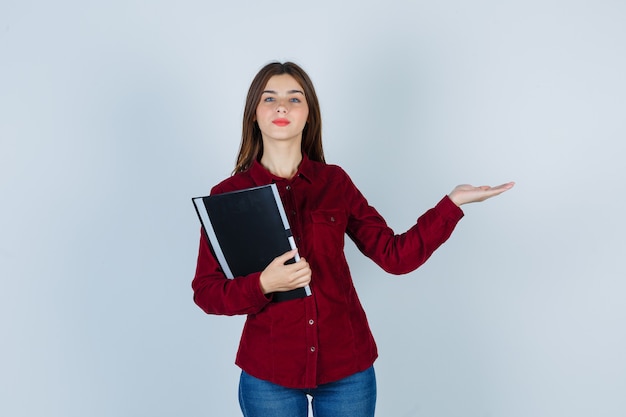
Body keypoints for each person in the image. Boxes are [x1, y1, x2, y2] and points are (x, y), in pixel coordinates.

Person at [192, 61, 514, 417]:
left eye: (294, 98)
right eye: (270, 98)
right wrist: (265, 283)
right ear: (254, 113)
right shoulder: (228, 195)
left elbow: (395, 256)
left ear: (309, 115)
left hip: (347, 367)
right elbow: (207, 292)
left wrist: (452, 204)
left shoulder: (335, 183)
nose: (281, 106)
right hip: (270, 373)